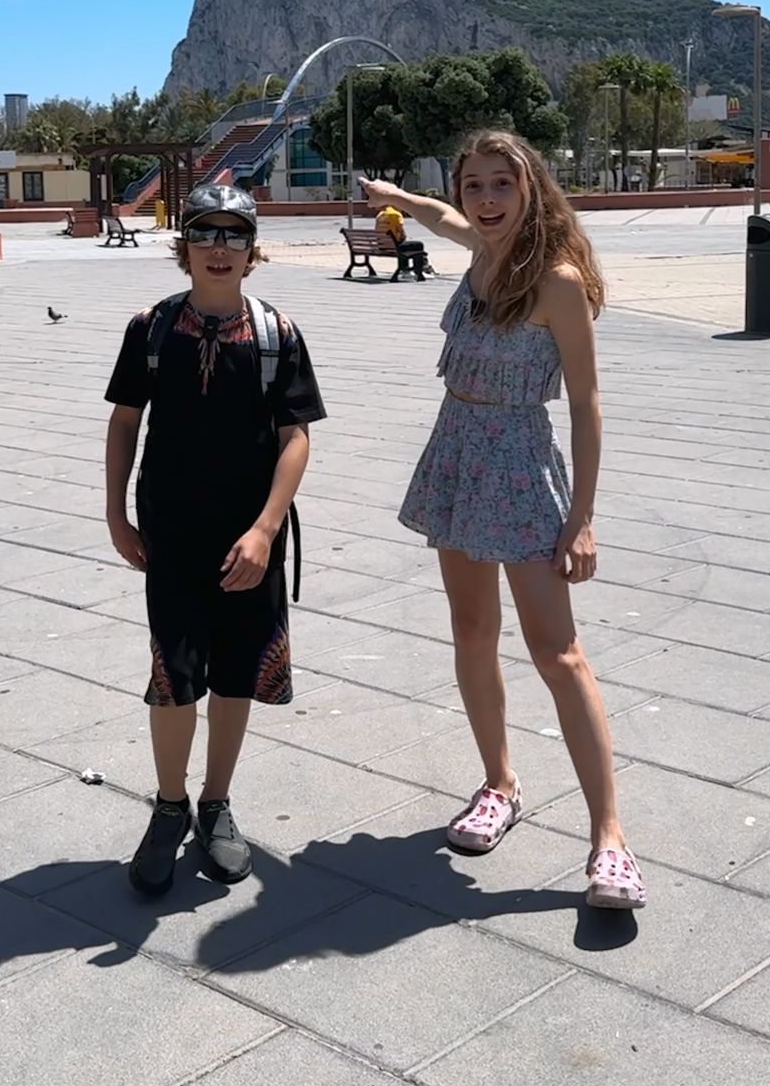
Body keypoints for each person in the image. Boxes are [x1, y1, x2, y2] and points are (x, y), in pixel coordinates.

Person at [361, 133, 645, 909]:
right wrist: (393, 194)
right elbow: (436, 216)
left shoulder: (556, 280)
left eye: (501, 185)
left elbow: (586, 403)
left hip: (520, 463)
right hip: (458, 450)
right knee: (471, 631)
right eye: (474, 185)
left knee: (558, 653)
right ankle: (499, 784)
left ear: (531, 189)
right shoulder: (480, 249)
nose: (485, 200)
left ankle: (610, 838)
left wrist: (581, 518)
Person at [105, 182, 326, 897]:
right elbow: (124, 422)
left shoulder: (277, 333)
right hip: (171, 534)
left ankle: (215, 803)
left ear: (253, 251)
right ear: (185, 245)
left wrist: (265, 529)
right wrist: (116, 514)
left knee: (236, 674)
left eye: (235, 234)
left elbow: (295, 438)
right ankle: (169, 806)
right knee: (173, 675)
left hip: (249, 539)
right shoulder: (151, 328)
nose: (220, 248)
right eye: (205, 232)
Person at [375, 200, 432, 281]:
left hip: (382, 245)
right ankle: (419, 271)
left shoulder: (380, 215)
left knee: (405, 246)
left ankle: (405, 270)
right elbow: (402, 233)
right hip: (393, 246)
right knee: (418, 245)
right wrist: (402, 237)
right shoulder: (395, 214)